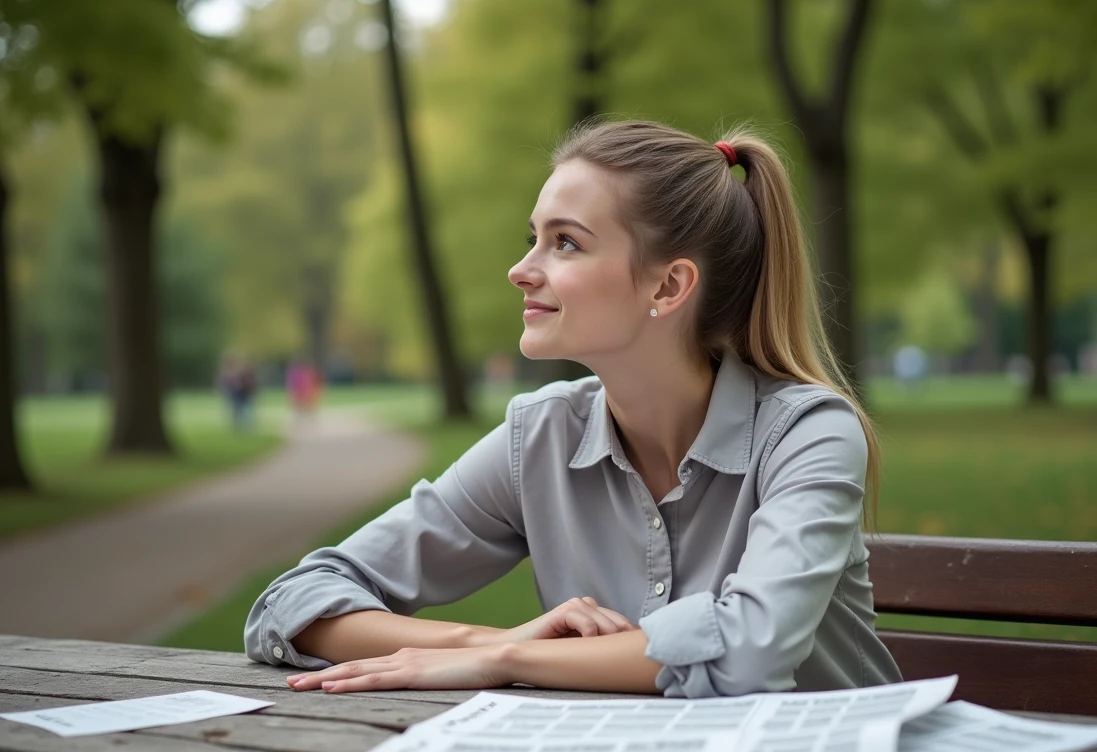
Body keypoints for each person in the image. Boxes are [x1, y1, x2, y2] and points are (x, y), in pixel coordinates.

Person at [246, 121, 903, 699]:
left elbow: (751, 647)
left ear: (668, 286)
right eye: (534, 237)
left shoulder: (810, 435)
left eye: (565, 243)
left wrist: (513, 658)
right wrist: (478, 644)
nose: (521, 270)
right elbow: (296, 600)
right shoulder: (540, 437)